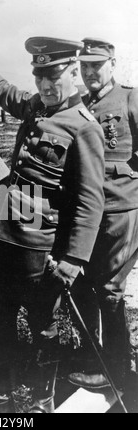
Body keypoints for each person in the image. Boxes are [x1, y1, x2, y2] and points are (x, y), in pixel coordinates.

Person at [0, 31, 105, 413]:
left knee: (43, 329)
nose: (45, 85)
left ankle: (40, 404)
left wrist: (73, 260)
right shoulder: (35, 107)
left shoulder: (84, 128)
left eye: (54, 76)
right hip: (4, 239)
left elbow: (89, 202)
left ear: (72, 73)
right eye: (39, 77)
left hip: (41, 252)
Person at [68, 38, 138, 390]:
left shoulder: (129, 98)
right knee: (83, 285)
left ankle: (117, 372)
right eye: (84, 66)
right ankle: (93, 358)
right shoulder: (78, 103)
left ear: (112, 62)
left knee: (109, 290)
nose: (90, 72)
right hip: (85, 211)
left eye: (96, 64)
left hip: (118, 210)